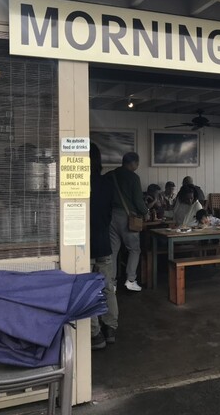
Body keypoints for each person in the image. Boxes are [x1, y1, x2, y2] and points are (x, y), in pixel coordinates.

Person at [89, 143, 118, 349]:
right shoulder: (107, 183)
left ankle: (95, 334)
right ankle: (111, 328)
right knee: (108, 287)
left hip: (84, 247)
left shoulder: (77, 182)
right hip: (104, 243)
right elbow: (108, 214)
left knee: (89, 288)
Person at [108, 152, 148, 292]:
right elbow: (138, 200)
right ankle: (130, 280)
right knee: (134, 249)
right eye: (137, 163)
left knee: (113, 251)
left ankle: (111, 283)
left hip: (111, 216)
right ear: (133, 163)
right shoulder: (133, 178)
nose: (137, 166)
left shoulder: (110, 175)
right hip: (127, 217)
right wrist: (145, 212)